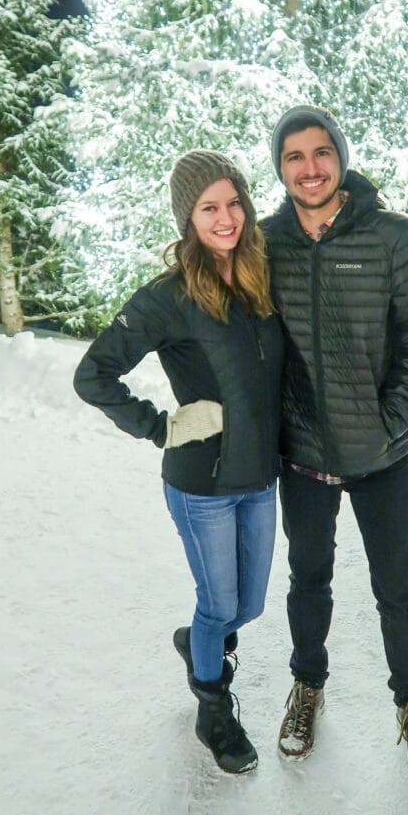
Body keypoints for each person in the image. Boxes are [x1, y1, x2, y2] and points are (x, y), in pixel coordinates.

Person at [73, 150, 284, 775]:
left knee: (248, 607)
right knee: (219, 606)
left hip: (261, 478)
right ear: (187, 218)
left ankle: (201, 644)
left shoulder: (258, 278)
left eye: (233, 203)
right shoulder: (167, 297)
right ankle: (212, 709)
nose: (226, 218)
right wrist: (160, 425)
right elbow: (93, 374)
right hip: (203, 486)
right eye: (208, 208)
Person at [260, 105, 408, 781]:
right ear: (279, 169)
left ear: (338, 158)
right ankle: (306, 688)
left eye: (319, 153)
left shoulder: (392, 237)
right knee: (307, 579)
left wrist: (388, 418)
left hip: (380, 457)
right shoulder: (266, 243)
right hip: (302, 454)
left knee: (396, 587)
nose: (308, 168)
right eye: (293, 157)